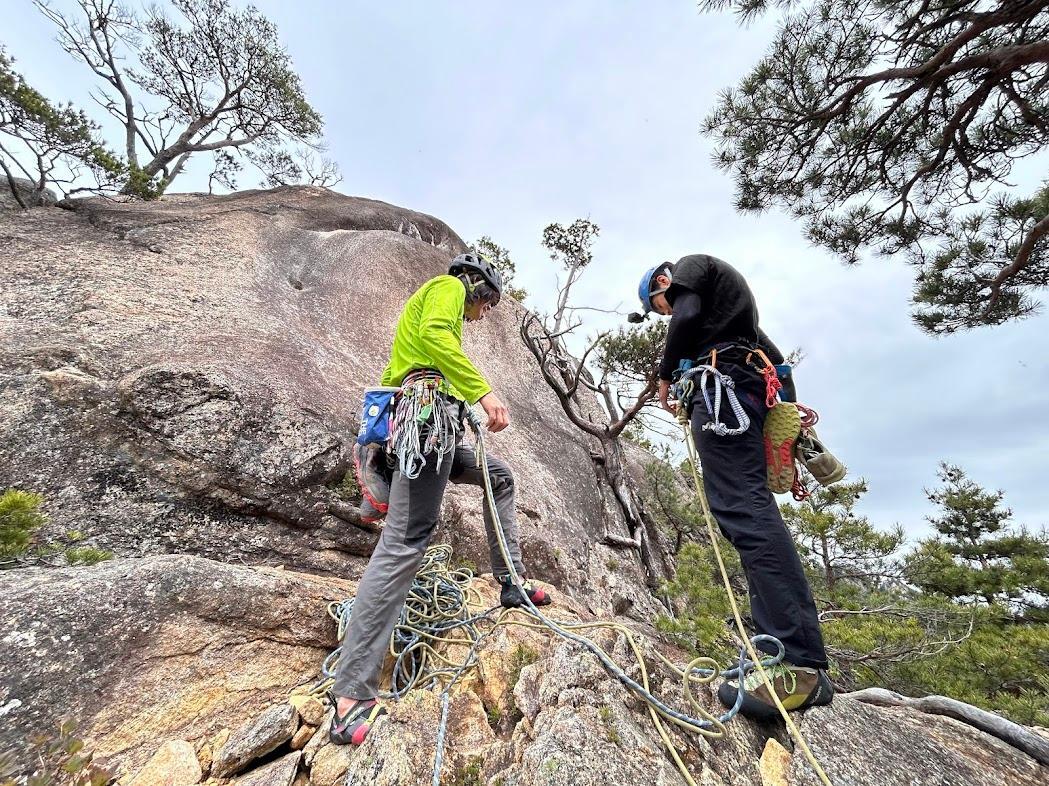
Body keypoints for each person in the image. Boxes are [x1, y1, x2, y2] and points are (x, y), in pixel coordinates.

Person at [330, 253, 552, 746]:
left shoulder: (451, 316)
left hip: (438, 426)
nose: (487, 311)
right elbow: (433, 339)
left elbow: (435, 351)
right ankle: (350, 697)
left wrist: (464, 406)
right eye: (489, 300)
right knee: (406, 540)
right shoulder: (447, 289)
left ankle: (510, 581)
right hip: (424, 421)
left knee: (499, 477)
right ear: (475, 285)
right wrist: (483, 392)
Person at [635, 253, 834, 720]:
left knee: (743, 509)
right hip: (743, 390)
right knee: (744, 513)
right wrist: (788, 417)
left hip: (722, 392)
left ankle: (800, 664)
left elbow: (683, 315)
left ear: (664, 282)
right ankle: (781, 653)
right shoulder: (736, 317)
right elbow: (779, 363)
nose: (667, 313)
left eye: (659, 306)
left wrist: (666, 375)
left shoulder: (693, 267)